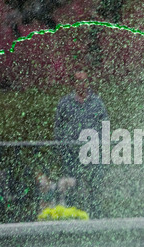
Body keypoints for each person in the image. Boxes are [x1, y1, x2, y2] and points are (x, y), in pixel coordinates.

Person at [54, 70, 109, 217]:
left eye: (84, 81)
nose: (81, 84)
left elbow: (105, 125)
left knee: (94, 185)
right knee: (72, 185)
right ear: (73, 83)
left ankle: (95, 215)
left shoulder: (97, 103)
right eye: (78, 81)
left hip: (92, 152)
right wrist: (62, 148)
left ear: (88, 82)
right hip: (71, 152)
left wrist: (103, 147)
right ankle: (74, 215)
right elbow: (58, 128)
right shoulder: (65, 103)